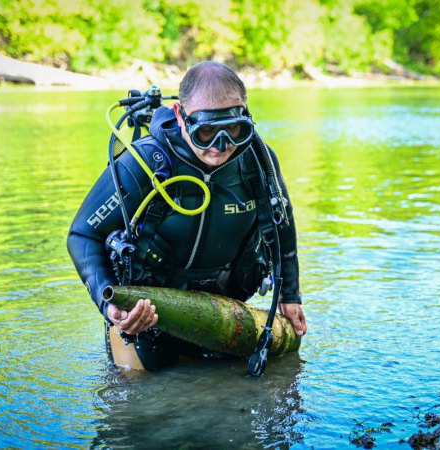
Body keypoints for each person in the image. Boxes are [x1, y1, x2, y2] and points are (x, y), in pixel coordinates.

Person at [67, 61, 307, 370]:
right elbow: (82, 234)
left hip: (226, 308)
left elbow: (282, 226)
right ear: (181, 116)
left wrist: (290, 294)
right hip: (147, 314)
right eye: (206, 132)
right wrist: (108, 302)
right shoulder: (145, 163)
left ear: (247, 116)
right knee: (132, 395)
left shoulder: (256, 160)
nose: (221, 147)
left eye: (234, 129)